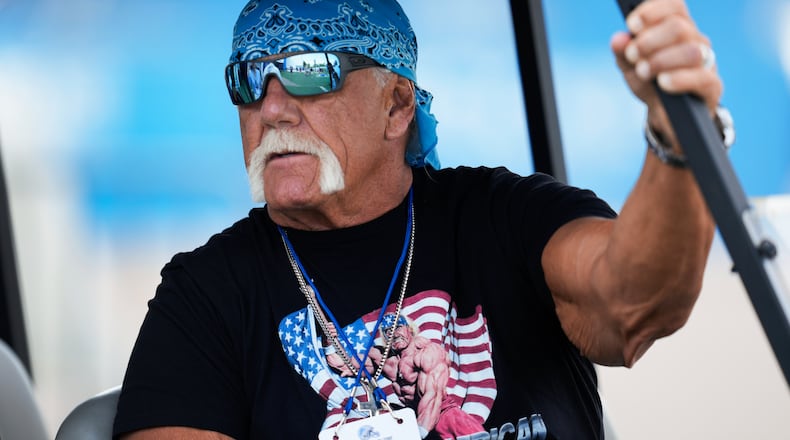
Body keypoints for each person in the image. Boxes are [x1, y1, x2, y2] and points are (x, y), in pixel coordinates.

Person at [112, 0, 730, 438]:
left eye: (307, 72)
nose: (272, 108)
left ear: (397, 105)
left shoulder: (504, 215)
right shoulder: (204, 294)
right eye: (249, 80)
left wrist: (677, 138)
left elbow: (634, 305)